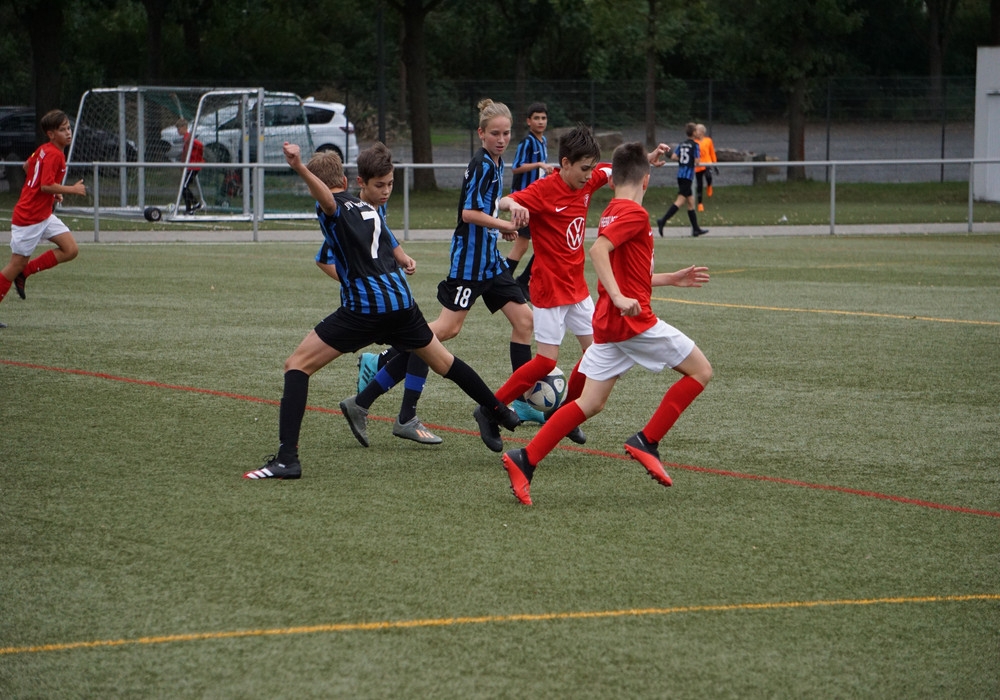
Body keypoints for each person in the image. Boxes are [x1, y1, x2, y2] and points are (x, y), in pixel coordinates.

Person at [243, 142, 520, 480]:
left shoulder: (335, 207)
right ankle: (498, 410)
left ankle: (287, 460)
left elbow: (328, 202)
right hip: (402, 304)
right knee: (444, 362)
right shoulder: (368, 207)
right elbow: (381, 240)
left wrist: (299, 167)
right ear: (347, 181)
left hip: (365, 310)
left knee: (296, 365)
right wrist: (401, 257)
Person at [501, 141, 713, 505]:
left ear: (612, 181)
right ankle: (647, 440)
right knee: (701, 371)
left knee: (590, 402)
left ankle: (525, 459)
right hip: (633, 323)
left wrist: (669, 279)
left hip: (610, 327)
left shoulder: (612, 210)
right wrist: (617, 297)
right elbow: (598, 251)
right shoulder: (634, 214)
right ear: (646, 181)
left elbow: (629, 271)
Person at [354, 99, 535, 453]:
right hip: (469, 262)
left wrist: (510, 204)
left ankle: (521, 400)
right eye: (495, 134)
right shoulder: (480, 163)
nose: (502, 139)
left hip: (490, 261)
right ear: (481, 133)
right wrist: (503, 225)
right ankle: (381, 372)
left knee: (525, 321)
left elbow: (488, 201)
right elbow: (469, 213)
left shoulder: (496, 162)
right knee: (444, 331)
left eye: (506, 133)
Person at [492, 126, 671, 443]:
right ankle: (491, 409)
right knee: (546, 361)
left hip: (576, 289)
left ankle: (563, 414)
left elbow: (620, 169)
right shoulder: (544, 190)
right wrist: (513, 205)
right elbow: (504, 200)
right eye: (584, 169)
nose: (590, 176)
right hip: (549, 289)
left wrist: (648, 159)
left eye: (592, 168)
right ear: (565, 163)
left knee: (595, 353)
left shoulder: (590, 179)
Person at [313, 143, 441, 445]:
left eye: (390, 184)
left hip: (391, 296)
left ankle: (369, 395)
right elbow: (323, 258)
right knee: (424, 343)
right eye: (380, 185)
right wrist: (355, 280)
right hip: (372, 303)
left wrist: (403, 258)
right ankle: (403, 413)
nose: (386, 191)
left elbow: (385, 240)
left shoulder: (376, 208)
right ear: (360, 183)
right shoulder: (348, 213)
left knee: (421, 343)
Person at [0, 109, 87, 319]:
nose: (68, 132)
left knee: (70, 249)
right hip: (29, 217)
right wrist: (71, 189)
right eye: (62, 130)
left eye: (68, 128)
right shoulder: (54, 154)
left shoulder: (44, 149)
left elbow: (27, 166)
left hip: (43, 215)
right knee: (14, 265)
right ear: (51, 134)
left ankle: (25, 272)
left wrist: (53, 193)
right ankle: (21, 271)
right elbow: (46, 185)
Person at [505, 102, 554, 302]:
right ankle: (505, 282)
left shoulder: (543, 141)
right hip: (524, 200)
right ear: (528, 121)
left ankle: (522, 281)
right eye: (536, 118)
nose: (540, 121)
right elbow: (516, 167)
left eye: (543, 118)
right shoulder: (527, 142)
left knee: (546, 243)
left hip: (538, 201)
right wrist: (539, 164)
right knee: (522, 245)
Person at [656, 122, 708, 237]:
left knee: (691, 202)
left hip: (680, 175)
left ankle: (696, 229)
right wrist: (691, 160)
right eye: (696, 131)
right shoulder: (695, 145)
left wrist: (683, 160)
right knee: (680, 201)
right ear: (694, 133)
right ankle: (662, 220)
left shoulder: (682, 144)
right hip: (688, 176)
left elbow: (674, 156)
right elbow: (697, 161)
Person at [176, 118, 204, 214]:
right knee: (183, 187)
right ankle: (189, 209)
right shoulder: (185, 138)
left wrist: (198, 158)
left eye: (179, 129)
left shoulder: (189, 138)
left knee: (184, 186)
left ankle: (196, 204)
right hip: (189, 166)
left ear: (184, 127)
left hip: (193, 166)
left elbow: (200, 145)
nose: (178, 131)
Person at [693, 123, 718, 212]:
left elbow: (712, 152)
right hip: (698, 165)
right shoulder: (694, 142)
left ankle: (709, 185)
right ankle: (700, 204)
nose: (695, 132)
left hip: (707, 163)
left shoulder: (708, 141)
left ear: (702, 132)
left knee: (708, 176)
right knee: (699, 184)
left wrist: (715, 164)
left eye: (697, 130)